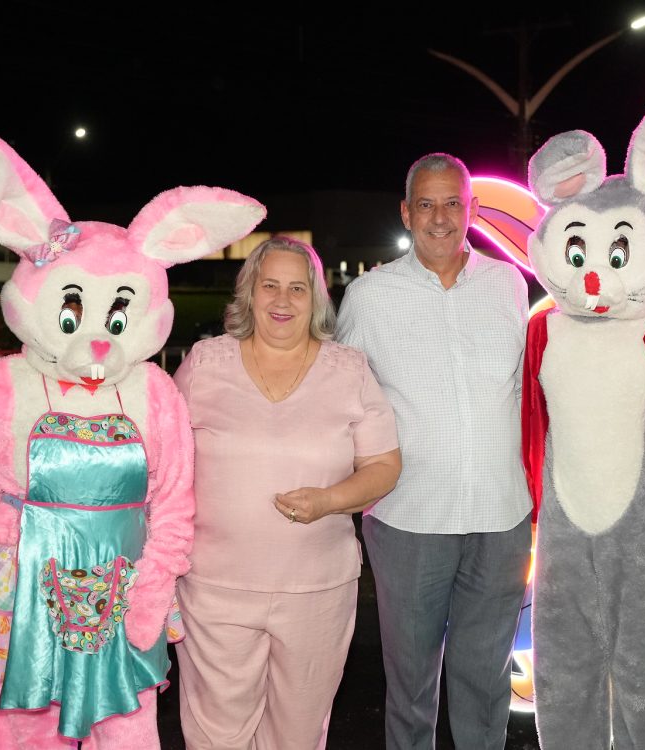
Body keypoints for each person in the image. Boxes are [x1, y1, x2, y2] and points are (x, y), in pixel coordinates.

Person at [172, 236, 401, 749]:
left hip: (316, 591)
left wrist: (330, 499)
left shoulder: (349, 370)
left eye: (297, 288)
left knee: (296, 735)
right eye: (269, 285)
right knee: (215, 733)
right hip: (214, 588)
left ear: (316, 298)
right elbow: (161, 460)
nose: (282, 300)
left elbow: (385, 465)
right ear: (248, 293)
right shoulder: (205, 365)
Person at [335, 154, 532, 749]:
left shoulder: (509, 285)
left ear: (472, 210)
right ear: (406, 211)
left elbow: (528, 387)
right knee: (412, 686)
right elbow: (338, 398)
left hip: (501, 517)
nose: (440, 218)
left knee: (486, 682)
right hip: (408, 518)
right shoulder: (370, 297)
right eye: (426, 203)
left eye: (453, 203)